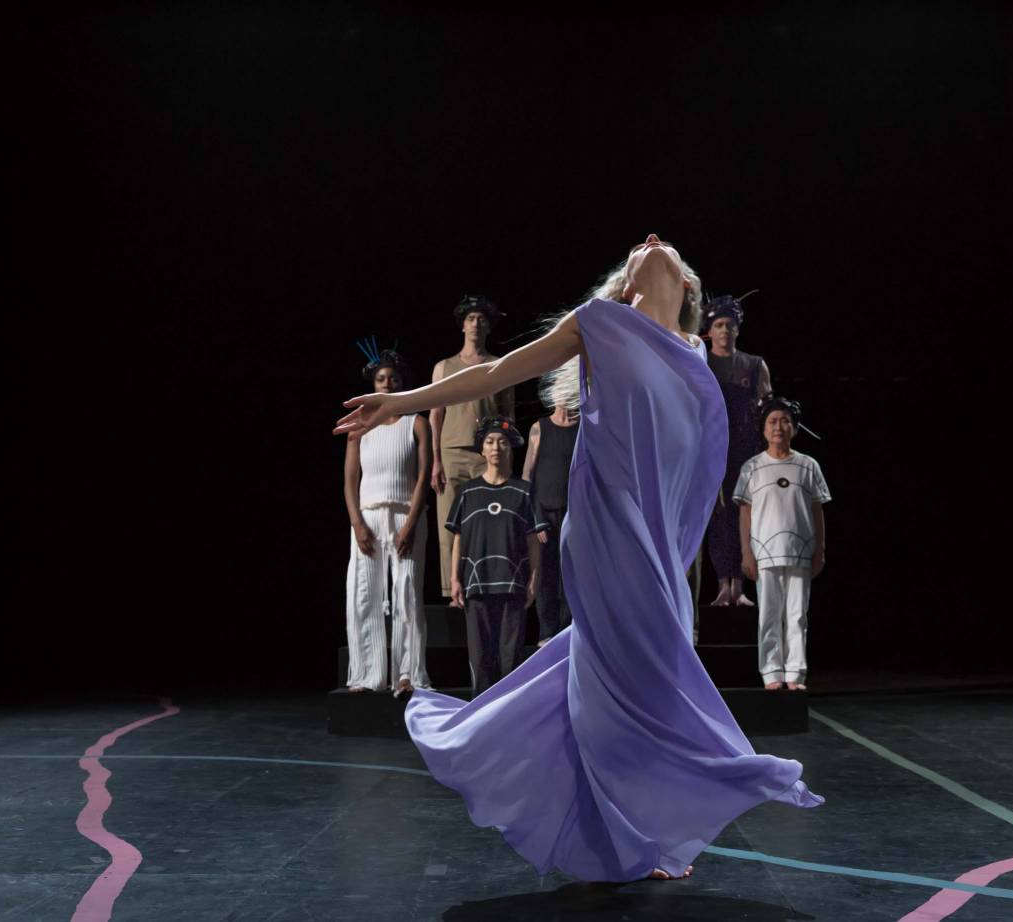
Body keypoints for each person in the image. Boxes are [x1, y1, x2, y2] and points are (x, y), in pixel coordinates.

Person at [335, 234, 823, 883]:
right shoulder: (598, 324)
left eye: (667, 247)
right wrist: (399, 403)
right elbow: (491, 374)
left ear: (687, 291)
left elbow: (700, 461)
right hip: (603, 526)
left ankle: (618, 814)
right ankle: (654, 815)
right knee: (620, 674)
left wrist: (679, 548)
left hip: (653, 543)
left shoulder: (695, 358)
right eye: (644, 246)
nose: (651, 241)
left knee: (629, 673)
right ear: (628, 282)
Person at [342, 343, 432, 695]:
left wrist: (410, 523)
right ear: (373, 385)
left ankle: (407, 674)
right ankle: (368, 675)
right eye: (381, 379)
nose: (387, 385)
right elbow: (350, 480)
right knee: (364, 595)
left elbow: (423, 476)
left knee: (407, 592)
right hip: (367, 518)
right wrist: (357, 524)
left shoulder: (417, 423)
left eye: (393, 379)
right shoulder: (358, 429)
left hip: (405, 516)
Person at [733, 394, 830, 692]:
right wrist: (747, 553)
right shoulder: (752, 467)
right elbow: (745, 512)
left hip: (800, 551)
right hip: (765, 553)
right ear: (763, 429)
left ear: (795, 428)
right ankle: (771, 672)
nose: (779, 427)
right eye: (773, 422)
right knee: (769, 615)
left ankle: (795, 673)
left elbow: (817, 509)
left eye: (785, 421)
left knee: (797, 615)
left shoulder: (808, 465)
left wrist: (820, 551)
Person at [447, 416, 545, 694]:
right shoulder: (468, 493)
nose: (496, 447)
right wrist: (455, 579)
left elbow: (533, 542)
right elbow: (458, 539)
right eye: (489, 442)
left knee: (509, 661)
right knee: (480, 660)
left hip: (512, 586)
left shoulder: (523, 492)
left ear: (510, 449)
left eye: (502, 442)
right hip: (476, 585)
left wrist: (534, 581)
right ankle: (482, 719)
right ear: (482, 449)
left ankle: (507, 718)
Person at [431, 296, 517, 602]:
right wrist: (435, 461)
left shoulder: (499, 366)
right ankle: (451, 589)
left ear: (488, 326)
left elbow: (508, 418)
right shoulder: (444, 367)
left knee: (487, 521)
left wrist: (506, 461)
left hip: (487, 455)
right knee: (449, 526)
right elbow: (435, 413)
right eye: (471, 319)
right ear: (463, 325)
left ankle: (486, 584)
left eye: (481, 319)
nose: (476, 324)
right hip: (452, 452)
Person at [702, 293, 772, 607]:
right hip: (711, 450)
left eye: (730, 325)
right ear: (710, 329)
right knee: (717, 516)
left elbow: (767, 408)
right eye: (718, 325)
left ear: (737, 329)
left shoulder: (754, 364)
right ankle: (721, 584)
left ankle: (740, 585)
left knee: (744, 513)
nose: (725, 330)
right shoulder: (700, 362)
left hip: (745, 450)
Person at [522, 394, 579, 646]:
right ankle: (546, 633)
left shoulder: (584, 426)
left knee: (572, 573)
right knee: (545, 573)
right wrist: (535, 518)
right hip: (544, 514)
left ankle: (568, 630)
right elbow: (527, 476)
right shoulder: (539, 427)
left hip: (575, 515)